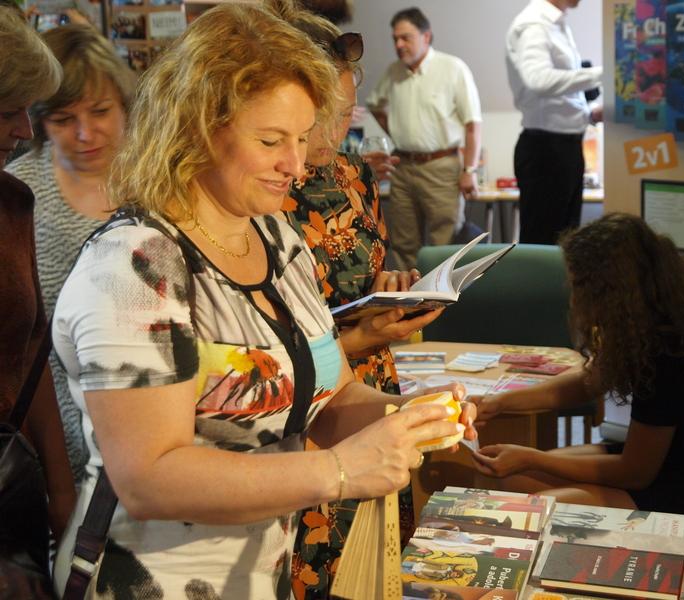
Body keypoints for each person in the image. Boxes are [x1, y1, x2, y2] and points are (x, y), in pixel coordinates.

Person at [49, 5, 475, 598]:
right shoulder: (134, 266)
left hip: (256, 575)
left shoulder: (275, 237)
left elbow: (329, 395)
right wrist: (341, 470)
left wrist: (404, 418)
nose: (295, 165)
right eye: (271, 140)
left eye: (302, 139)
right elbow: (149, 477)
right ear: (196, 128)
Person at [270, 4, 444, 595]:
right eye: (330, 115)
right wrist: (365, 335)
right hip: (304, 406)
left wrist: (391, 288)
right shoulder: (265, 191)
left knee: (377, 556)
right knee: (317, 565)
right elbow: (267, 357)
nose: (339, 130)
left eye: (349, 113)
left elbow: (364, 270)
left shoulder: (352, 174)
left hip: (365, 381)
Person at [472, 213, 684, 515]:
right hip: (652, 463)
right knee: (508, 479)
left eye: (578, 284)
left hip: (677, 489)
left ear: (606, 290)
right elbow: (587, 383)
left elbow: (635, 473)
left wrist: (531, 458)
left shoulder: (669, 353)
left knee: (525, 507)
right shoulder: (646, 324)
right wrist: (498, 403)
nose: (573, 295)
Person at [7, 23, 135, 484]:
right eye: (63, 120)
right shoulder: (20, 194)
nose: (86, 133)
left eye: (100, 111)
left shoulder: (161, 182)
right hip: (52, 449)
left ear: (124, 103)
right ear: (38, 122)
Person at [0, 6, 76, 593]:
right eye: (6, 112)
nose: (24, 130)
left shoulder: (12, 204)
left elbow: (31, 357)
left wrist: (60, 489)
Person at [366, 7, 482, 270]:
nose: (399, 44)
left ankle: (445, 307)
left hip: (441, 168)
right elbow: (374, 104)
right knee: (404, 244)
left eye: (406, 37)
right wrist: (397, 131)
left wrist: (470, 170)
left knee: (445, 243)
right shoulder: (394, 71)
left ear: (426, 36)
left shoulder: (452, 68)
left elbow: (473, 124)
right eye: (395, 38)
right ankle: (412, 307)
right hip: (403, 168)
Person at [506, 0, 604, 245]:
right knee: (544, 245)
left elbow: (558, 101)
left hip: (563, 148)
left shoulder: (556, 23)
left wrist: (588, 114)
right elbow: (539, 80)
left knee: (564, 244)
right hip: (546, 153)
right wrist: (605, 73)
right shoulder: (534, 24)